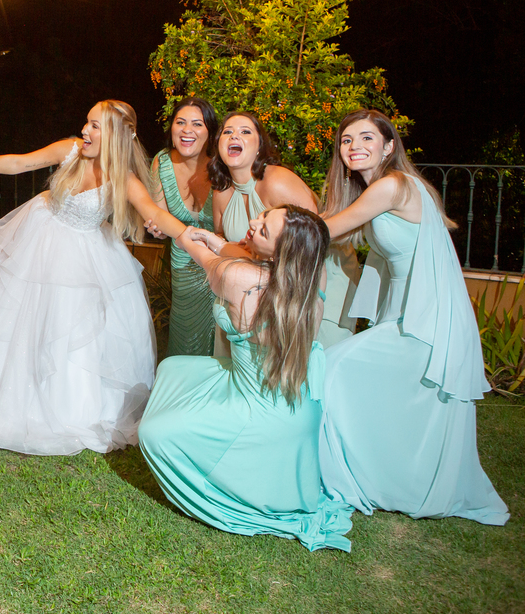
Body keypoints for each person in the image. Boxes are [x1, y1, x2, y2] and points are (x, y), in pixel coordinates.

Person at [0, 100, 186, 455]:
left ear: (117, 135)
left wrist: (192, 238)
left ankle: (64, 410)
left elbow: (153, 213)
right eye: (86, 122)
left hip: (83, 262)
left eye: (95, 126)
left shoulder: (124, 178)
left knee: (70, 334)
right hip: (38, 242)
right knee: (10, 325)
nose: (85, 131)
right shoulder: (71, 150)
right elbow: (18, 163)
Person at [318, 109, 508, 525]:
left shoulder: (393, 185)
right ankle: (384, 476)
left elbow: (326, 230)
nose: (355, 146)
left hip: (425, 320)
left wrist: (270, 230)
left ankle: (356, 475)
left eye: (367, 138)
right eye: (347, 140)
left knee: (334, 368)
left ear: (389, 146)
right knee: (397, 403)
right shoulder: (380, 188)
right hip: (407, 314)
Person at [138, 206, 355, 552]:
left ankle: (228, 495)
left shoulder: (242, 280)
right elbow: (243, 255)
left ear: (281, 254)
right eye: (263, 216)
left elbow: (202, 256)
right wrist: (216, 240)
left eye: (264, 230)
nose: (254, 223)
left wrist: (184, 235)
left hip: (255, 412)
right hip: (300, 410)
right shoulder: (313, 278)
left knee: (153, 434)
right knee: (175, 369)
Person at [208, 111, 359, 348]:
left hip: (319, 274)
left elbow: (312, 240)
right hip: (275, 283)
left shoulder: (276, 181)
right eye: (227, 132)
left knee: (321, 354)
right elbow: (224, 239)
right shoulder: (221, 191)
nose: (234, 136)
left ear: (259, 147)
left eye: (245, 132)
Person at [150, 97, 217, 357]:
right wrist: (157, 227)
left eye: (197, 124)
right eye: (180, 122)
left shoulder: (223, 165)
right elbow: (159, 215)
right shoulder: (162, 161)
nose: (187, 130)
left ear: (210, 131)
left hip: (222, 263)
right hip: (184, 266)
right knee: (185, 340)